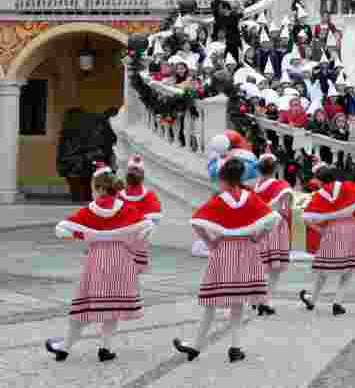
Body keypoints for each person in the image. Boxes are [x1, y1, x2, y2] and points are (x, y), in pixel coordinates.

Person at [173, 158, 281, 363]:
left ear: (222, 179)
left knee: (211, 302)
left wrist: (210, 242)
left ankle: (196, 346)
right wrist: (257, 237)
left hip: (223, 250)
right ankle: (235, 348)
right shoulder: (251, 198)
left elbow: (196, 222)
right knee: (238, 302)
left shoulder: (219, 200)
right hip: (247, 250)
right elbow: (273, 219)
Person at [46, 167, 154, 363]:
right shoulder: (128, 209)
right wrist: (130, 243)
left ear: (98, 188)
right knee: (112, 306)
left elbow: (61, 230)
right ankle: (105, 348)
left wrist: (85, 235)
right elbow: (146, 229)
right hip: (122, 260)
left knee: (86, 304)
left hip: (97, 259)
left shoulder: (90, 210)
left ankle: (65, 347)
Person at [299, 164, 355, 314]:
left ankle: (312, 299)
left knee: (323, 269)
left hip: (331, 231)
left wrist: (320, 229)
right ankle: (338, 302)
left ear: (321, 181)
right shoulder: (348, 187)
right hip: (350, 228)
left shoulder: (320, 195)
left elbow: (306, 218)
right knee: (348, 269)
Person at [252, 147, 293, 316]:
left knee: (261, 264)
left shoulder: (255, 186)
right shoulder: (281, 186)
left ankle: (256, 298)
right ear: (275, 168)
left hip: (259, 225)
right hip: (275, 226)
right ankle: (265, 301)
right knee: (274, 268)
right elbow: (285, 210)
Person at [117, 155, 163, 275]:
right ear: (143, 177)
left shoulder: (120, 196)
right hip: (141, 234)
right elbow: (155, 217)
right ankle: (139, 266)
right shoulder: (150, 195)